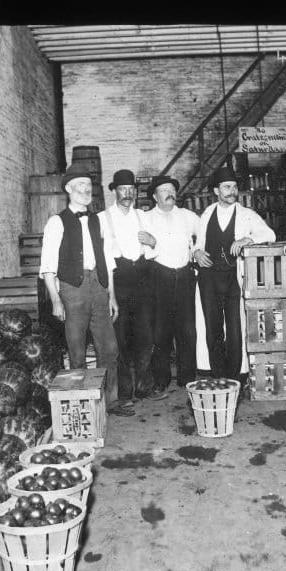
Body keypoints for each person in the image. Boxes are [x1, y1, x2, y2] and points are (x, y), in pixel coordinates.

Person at [39, 161, 133, 417]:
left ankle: (110, 401)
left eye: (89, 185)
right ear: (68, 189)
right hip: (72, 289)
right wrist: (56, 300)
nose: (86, 189)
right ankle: (81, 403)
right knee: (77, 350)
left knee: (109, 348)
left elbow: (108, 261)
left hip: (99, 287)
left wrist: (111, 295)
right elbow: (48, 266)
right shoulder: (56, 222)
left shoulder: (98, 221)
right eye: (80, 185)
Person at [193, 165, 275, 389]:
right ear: (216, 191)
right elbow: (198, 244)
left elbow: (269, 233)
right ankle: (218, 374)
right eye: (227, 187)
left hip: (233, 278)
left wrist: (247, 240)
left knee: (235, 327)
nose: (232, 191)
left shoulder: (247, 215)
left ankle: (235, 376)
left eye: (235, 187)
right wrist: (197, 252)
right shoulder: (207, 213)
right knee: (212, 327)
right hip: (209, 277)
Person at [98, 169, 155, 404]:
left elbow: (154, 250)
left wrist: (153, 241)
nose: (128, 194)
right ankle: (124, 390)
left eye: (131, 189)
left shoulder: (143, 216)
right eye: (123, 189)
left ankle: (143, 386)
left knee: (144, 335)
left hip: (142, 279)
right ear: (115, 191)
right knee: (120, 338)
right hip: (118, 281)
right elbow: (103, 259)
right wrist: (110, 295)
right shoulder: (103, 218)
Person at [141, 175, 200, 399]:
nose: (170, 194)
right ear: (155, 196)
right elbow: (142, 248)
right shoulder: (146, 218)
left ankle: (188, 377)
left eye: (172, 190)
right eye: (164, 190)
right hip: (159, 276)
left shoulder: (187, 216)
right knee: (160, 331)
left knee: (187, 330)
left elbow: (203, 234)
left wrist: (197, 250)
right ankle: (161, 379)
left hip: (184, 275)